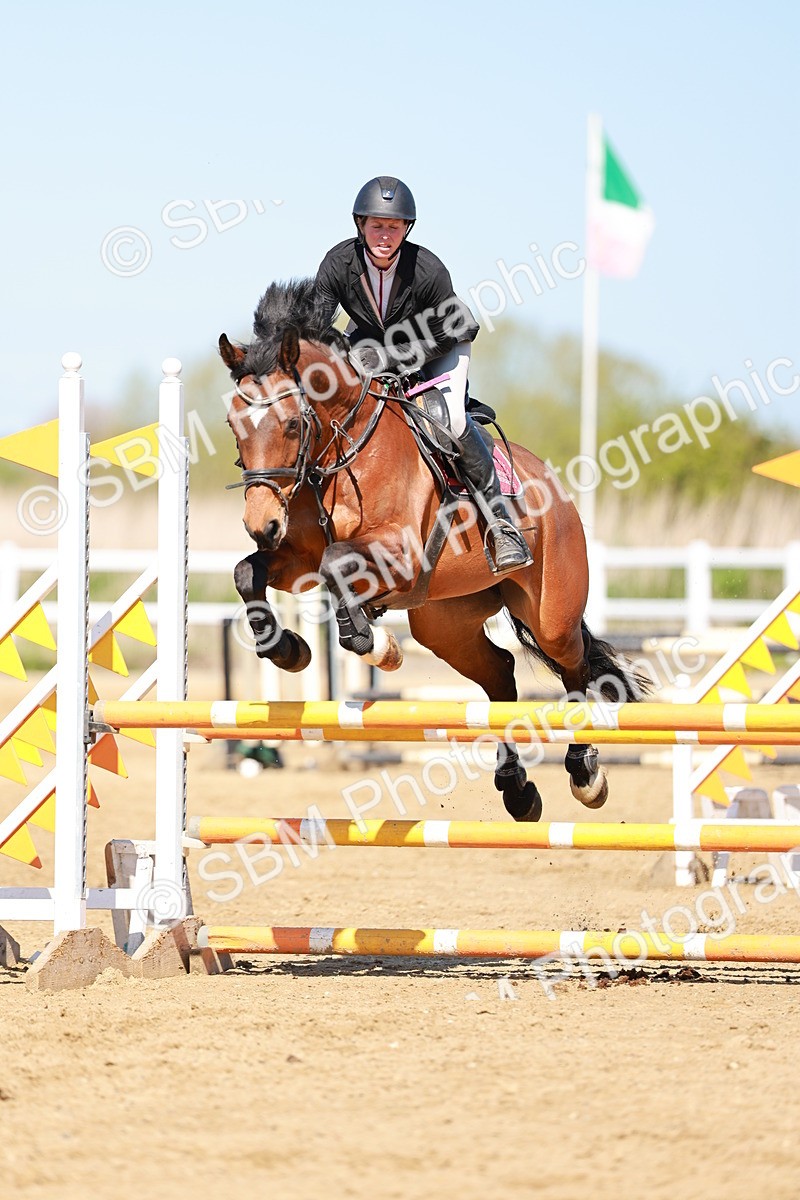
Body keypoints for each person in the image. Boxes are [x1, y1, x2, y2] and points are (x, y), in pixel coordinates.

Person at [315, 175, 533, 574]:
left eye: (394, 227)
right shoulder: (338, 263)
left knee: (448, 419)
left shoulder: (427, 269)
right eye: (377, 225)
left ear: (406, 229)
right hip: (370, 349)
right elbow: (317, 325)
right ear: (360, 225)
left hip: (438, 349)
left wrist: (390, 357)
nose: (385, 235)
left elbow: (456, 328)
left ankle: (502, 524)